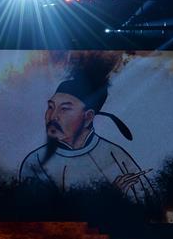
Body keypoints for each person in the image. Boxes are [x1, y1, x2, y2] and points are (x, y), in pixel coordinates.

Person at [19, 75, 154, 202]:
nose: (53, 116)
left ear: (88, 117)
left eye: (64, 109)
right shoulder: (35, 161)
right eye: (50, 107)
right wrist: (110, 196)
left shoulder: (116, 155)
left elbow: (149, 205)